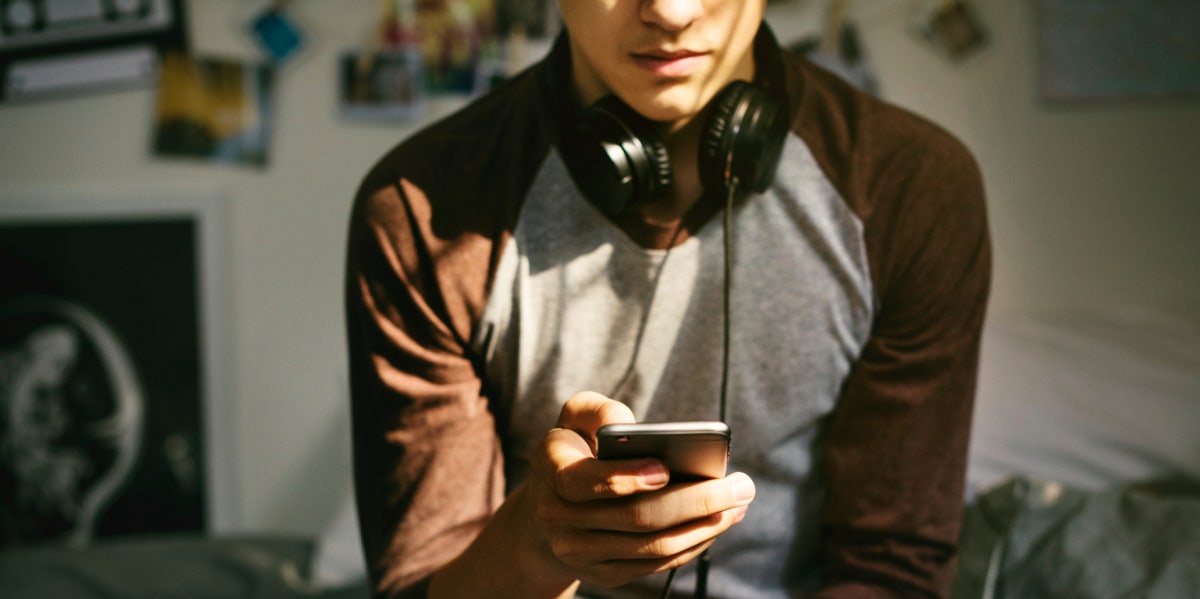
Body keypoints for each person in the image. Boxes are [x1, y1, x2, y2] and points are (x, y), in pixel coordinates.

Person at [343, 0, 991, 596]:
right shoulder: (419, 211)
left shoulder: (914, 189)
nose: (671, 12)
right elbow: (421, 584)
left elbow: (891, 568)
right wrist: (538, 542)